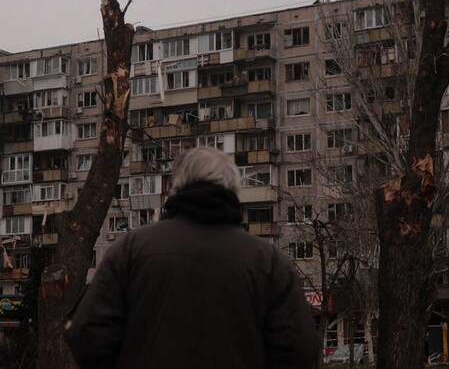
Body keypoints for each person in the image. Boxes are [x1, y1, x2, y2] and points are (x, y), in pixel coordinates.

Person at [64, 147, 320, 368]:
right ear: (232, 188)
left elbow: (87, 335)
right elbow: (299, 349)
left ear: (176, 186)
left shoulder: (130, 250)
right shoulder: (268, 262)